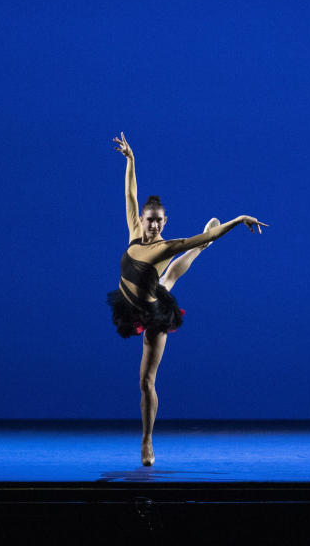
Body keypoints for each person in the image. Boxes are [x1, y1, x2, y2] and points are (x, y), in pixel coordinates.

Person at [109, 133, 267, 466]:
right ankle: (198, 252)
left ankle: (147, 440)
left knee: (145, 380)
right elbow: (130, 193)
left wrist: (237, 220)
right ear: (143, 219)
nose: (151, 224)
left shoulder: (165, 245)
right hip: (130, 302)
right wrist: (131, 161)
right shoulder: (134, 233)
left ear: (164, 223)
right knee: (168, 278)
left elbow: (208, 230)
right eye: (148, 219)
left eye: (157, 220)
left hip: (153, 312)